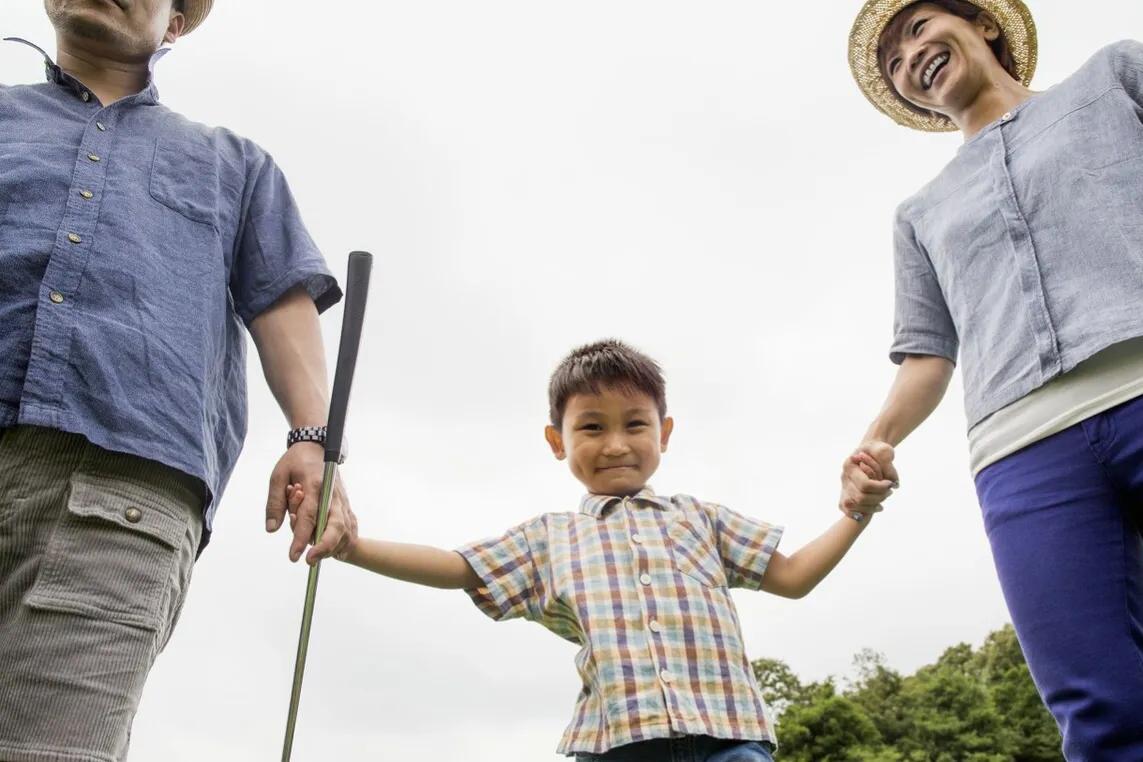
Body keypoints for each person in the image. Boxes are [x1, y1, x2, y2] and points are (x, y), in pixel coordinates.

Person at [0, 2, 358, 760]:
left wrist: (313, 438)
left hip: (117, 496)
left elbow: (280, 301)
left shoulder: (235, 164)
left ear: (173, 26)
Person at [291, 339, 891, 760]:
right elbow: (456, 567)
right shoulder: (550, 537)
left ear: (665, 432)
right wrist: (355, 547)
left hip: (730, 737)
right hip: (617, 745)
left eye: (635, 424)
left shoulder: (701, 520)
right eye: (591, 427)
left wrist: (856, 512)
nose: (615, 444)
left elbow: (792, 576)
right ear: (558, 441)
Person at [840, 1, 1143, 758]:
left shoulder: (1113, 76)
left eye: (915, 30)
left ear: (982, 24)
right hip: (1022, 455)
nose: (908, 58)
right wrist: (873, 442)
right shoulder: (919, 213)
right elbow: (925, 354)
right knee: (1099, 706)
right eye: (892, 65)